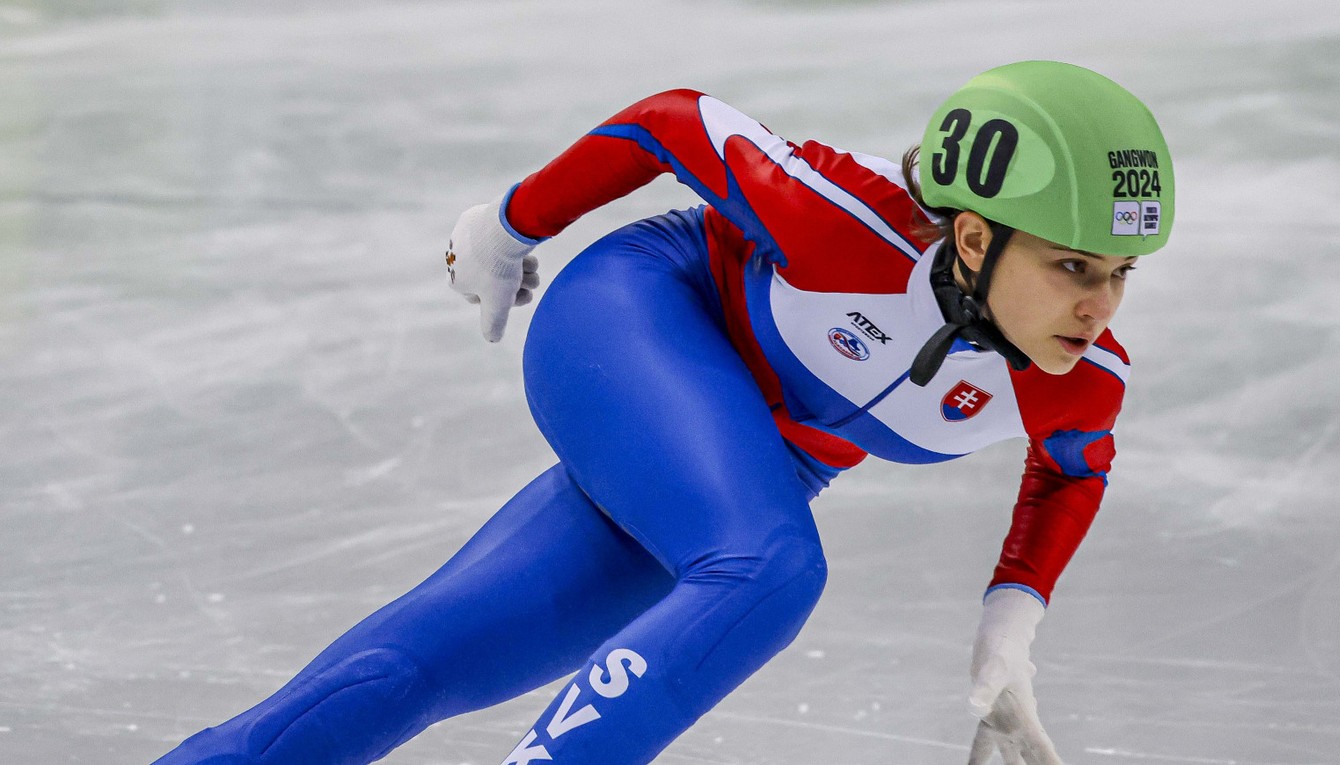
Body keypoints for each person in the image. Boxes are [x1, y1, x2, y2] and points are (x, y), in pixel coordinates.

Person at [152, 60, 1174, 765]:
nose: (1100, 305)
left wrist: (1010, 625)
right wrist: (508, 226)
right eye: (1073, 266)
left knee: (428, 661)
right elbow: (671, 121)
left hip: (726, 470)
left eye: (1122, 272)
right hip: (637, 317)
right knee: (769, 569)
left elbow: (1070, 470)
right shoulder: (844, 223)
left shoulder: (1077, 375)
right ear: (971, 239)